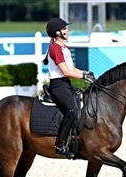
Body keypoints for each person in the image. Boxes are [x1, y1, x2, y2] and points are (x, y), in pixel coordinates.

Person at [43, 17, 96, 159]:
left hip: (66, 84)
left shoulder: (64, 48)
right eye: (64, 28)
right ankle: (60, 145)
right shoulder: (55, 48)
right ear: (57, 32)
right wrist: (83, 77)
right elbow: (65, 72)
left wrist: (85, 73)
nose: (67, 30)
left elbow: (71, 68)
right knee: (72, 111)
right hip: (58, 85)